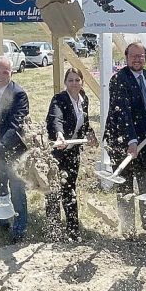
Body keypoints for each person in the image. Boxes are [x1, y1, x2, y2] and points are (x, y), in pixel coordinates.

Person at [104, 41, 146, 237]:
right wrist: (131, 141)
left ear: (145, 58)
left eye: (141, 56)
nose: (137, 59)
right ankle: (128, 230)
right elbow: (123, 113)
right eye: (134, 56)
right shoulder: (119, 80)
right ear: (126, 57)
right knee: (125, 188)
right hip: (122, 143)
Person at [46, 68, 98, 239]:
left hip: (73, 152)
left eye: (77, 80)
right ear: (65, 82)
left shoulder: (84, 100)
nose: (74, 83)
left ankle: (73, 231)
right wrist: (59, 135)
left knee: (70, 189)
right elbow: (56, 118)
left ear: (82, 82)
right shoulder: (59, 99)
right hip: (57, 152)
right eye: (70, 80)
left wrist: (91, 135)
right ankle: (53, 230)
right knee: (53, 190)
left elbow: (85, 123)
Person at [0, 55, 30, 243]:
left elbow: (15, 127)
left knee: (17, 189)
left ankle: (19, 229)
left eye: (6, 72)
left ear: (11, 73)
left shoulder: (18, 94)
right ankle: (2, 221)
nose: (1, 75)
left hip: (13, 151)